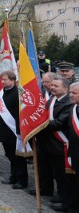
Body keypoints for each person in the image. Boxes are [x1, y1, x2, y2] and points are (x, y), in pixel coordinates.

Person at [38, 76, 72, 212]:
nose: (52, 88)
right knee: (55, 172)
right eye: (52, 85)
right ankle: (59, 195)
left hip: (61, 144)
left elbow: (59, 123)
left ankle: (66, 200)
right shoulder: (52, 100)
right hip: (49, 143)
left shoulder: (68, 103)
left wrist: (38, 126)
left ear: (65, 88)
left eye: (56, 86)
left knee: (63, 175)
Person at [0, 70, 28, 189]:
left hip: (14, 130)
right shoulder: (1, 92)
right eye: (2, 79)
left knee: (18, 157)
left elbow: (20, 114)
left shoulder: (18, 93)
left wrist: (19, 130)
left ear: (13, 80)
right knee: (9, 155)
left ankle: (22, 180)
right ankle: (13, 177)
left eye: (5, 79)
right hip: (4, 130)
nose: (3, 82)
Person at [66, 82, 79, 213]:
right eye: (70, 92)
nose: (70, 95)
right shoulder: (73, 108)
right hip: (75, 152)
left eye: (74, 93)